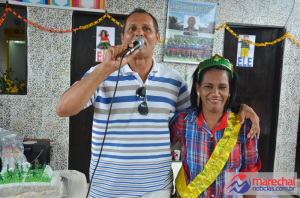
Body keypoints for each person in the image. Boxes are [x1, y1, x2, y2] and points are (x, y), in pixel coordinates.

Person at [56, 8, 260, 198]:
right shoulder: (100, 73)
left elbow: (196, 117)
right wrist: (105, 68)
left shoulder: (174, 80)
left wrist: (239, 108)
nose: (139, 33)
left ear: (157, 38)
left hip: (157, 190)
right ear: (123, 37)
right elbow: (63, 109)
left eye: (147, 29)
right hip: (107, 189)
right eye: (132, 29)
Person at [169, 54, 261, 198]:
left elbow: (249, 172)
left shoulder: (244, 127)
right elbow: (159, 151)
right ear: (198, 87)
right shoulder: (182, 121)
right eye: (208, 86)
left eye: (222, 87)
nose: (215, 93)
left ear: (229, 90)